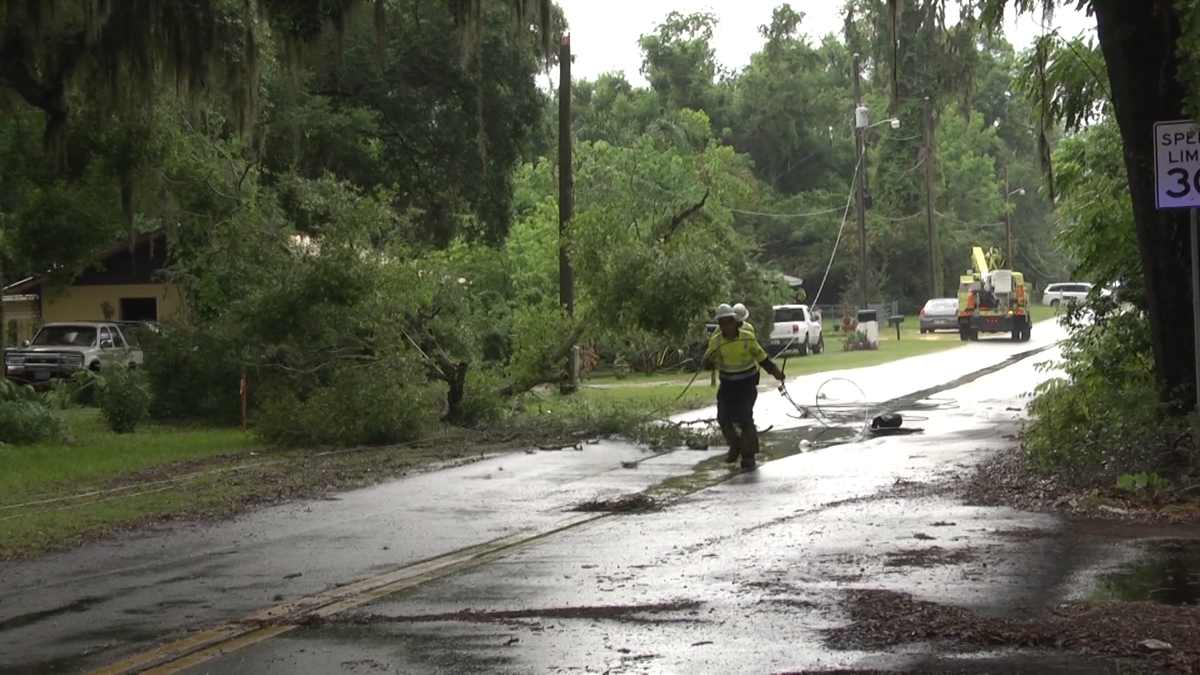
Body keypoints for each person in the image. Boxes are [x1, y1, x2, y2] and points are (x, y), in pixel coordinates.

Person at [702, 303, 786, 470]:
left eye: (729, 322)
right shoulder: (716, 340)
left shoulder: (747, 336)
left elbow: (761, 357)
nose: (726, 326)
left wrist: (775, 372)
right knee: (723, 417)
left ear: (735, 321)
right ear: (720, 325)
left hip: (746, 383)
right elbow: (708, 361)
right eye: (722, 323)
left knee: (744, 418)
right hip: (727, 384)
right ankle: (735, 446)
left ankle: (748, 456)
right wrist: (707, 362)